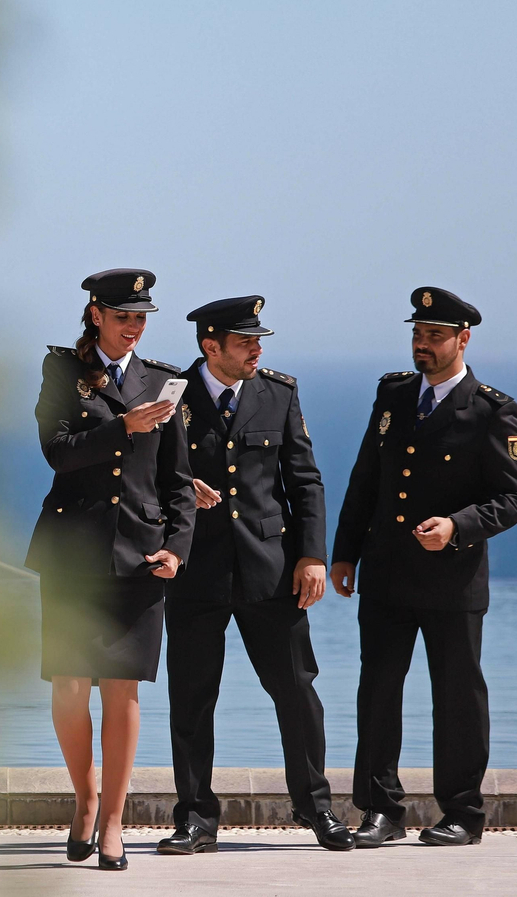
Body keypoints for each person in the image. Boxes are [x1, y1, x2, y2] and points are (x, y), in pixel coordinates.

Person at [331, 287, 517, 848]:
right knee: (377, 693)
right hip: (388, 573)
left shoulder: (493, 409)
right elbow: (366, 477)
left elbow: (514, 499)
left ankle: (463, 813)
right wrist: (344, 552)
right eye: (417, 334)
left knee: (458, 698)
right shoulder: (393, 394)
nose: (423, 344)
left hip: (453, 579)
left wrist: (457, 526)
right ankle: (379, 810)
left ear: (462, 340)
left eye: (435, 336)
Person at [157, 295, 354, 854]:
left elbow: (304, 481)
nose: (256, 350)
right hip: (196, 570)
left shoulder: (279, 392)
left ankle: (316, 807)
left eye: (258, 341)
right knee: (192, 697)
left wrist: (311, 556)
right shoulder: (171, 394)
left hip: (271, 571)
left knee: (297, 691)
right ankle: (196, 818)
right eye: (245, 342)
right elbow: (144, 472)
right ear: (209, 345)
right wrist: (179, 490)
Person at [25, 267, 196, 871]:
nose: (134, 329)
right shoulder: (62, 372)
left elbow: (177, 483)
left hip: (140, 556)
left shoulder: (166, 382)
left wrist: (178, 546)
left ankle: (116, 822)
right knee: (71, 688)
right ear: (96, 314)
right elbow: (58, 452)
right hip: (73, 551)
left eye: (142, 319)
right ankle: (85, 798)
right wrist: (122, 426)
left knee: (123, 690)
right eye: (124, 317)